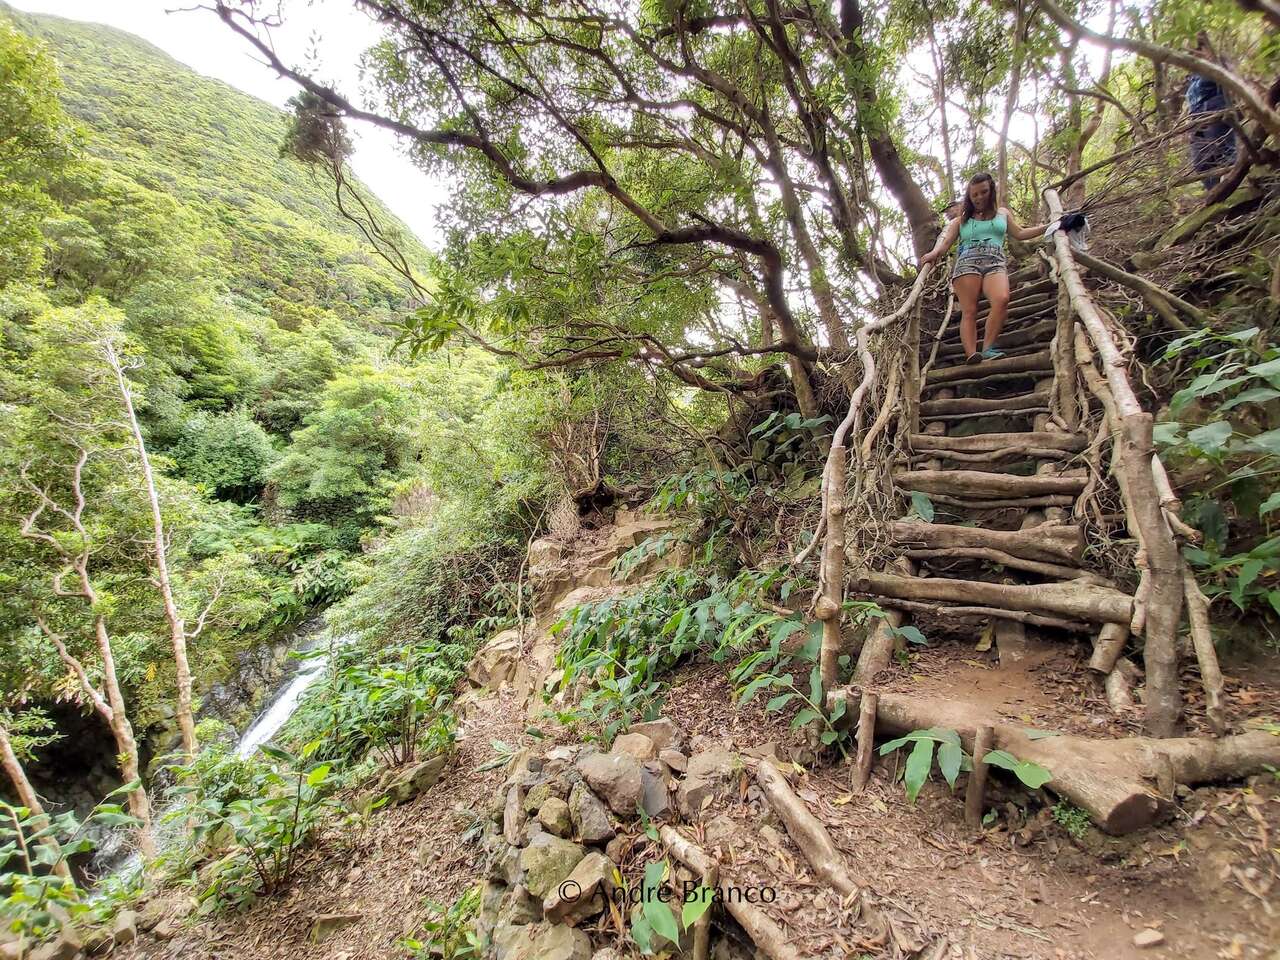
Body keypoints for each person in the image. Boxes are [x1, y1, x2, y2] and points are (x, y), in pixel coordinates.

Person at [920, 172, 1051, 364]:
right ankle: (972, 353)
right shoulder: (962, 219)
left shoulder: (1003, 214)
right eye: (975, 195)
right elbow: (946, 242)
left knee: (1002, 299)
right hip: (967, 263)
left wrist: (1047, 227)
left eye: (983, 192)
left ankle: (988, 347)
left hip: (995, 262)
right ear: (969, 197)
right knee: (970, 310)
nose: (979, 197)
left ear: (991, 191)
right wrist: (933, 254)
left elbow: (1021, 233)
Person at [1186, 37, 1237, 190]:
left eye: (1197, 50)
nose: (1195, 55)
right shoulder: (1193, 76)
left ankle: (1236, 188)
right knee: (1201, 162)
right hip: (1197, 117)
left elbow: (1233, 84)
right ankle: (1215, 193)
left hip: (1216, 108)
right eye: (1192, 53)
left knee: (1226, 153)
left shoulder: (1217, 63)